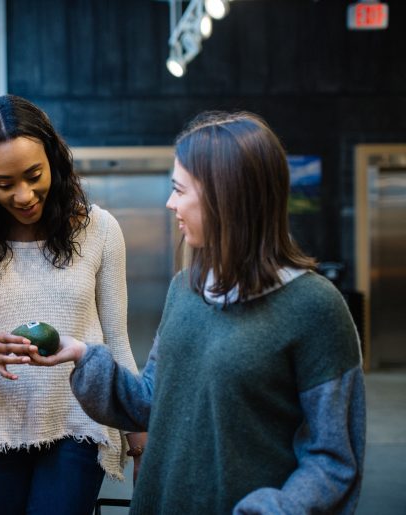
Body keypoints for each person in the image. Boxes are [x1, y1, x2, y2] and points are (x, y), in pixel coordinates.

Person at [30, 111, 366, 514]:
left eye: (180, 189)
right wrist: (84, 356)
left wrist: (275, 508)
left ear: (227, 197)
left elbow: (333, 459)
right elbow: (153, 400)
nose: (170, 203)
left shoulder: (316, 308)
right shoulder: (185, 289)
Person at [0, 94, 146, 515]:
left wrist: (139, 429)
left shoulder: (100, 230)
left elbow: (116, 339)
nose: (25, 195)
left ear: (53, 159)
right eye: (5, 184)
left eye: (34, 175)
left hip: (79, 420)